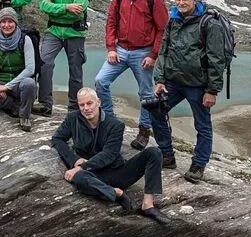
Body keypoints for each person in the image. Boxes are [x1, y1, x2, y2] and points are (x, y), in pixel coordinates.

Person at [51, 88, 170, 224]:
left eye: (89, 103)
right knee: (79, 179)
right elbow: (57, 139)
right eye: (82, 105)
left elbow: (109, 154)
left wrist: (82, 166)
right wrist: (75, 160)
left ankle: (148, 205)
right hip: (93, 175)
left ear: (98, 102)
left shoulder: (115, 124)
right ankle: (116, 193)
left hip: (117, 172)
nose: (86, 108)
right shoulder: (73, 118)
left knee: (154, 152)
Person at [150, 0, 230, 183]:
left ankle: (198, 164)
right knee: (155, 110)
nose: (181, 3)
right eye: (177, 0)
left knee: (202, 125)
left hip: (198, 85)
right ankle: (167, 155)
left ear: (194, 0)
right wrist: (159, 79)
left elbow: (216, 59)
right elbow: (164, 50)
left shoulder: (209, 23)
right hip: (173, 82)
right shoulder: (173, 20)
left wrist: (212, 90)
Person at [96, 0, 169, 150]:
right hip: (120, 50)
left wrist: (153, 55)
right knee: (101, 81)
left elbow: (162, 29)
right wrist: (111, 48)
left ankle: (144, 131)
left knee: (146, 93)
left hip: (143, 52)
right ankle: (109, 121)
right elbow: (111, 22)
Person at [36, 0, 90, 116]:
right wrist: (67, 6)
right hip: (53, 30)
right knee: (45, 63)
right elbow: (43, 6)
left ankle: (74, 108)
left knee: (75, 71)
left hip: (75, 32)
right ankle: (45, 103)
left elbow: (80, 9)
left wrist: (55, 8)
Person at [0, 7, 37, 131]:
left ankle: (24, 116)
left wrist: (7, 87)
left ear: (15, 23)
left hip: (18, 83)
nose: (7, 25)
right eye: (3, 22)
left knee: (30, 84)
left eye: (10, 22)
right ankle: (10, 103)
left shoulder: (25, 40)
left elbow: (30, 69)